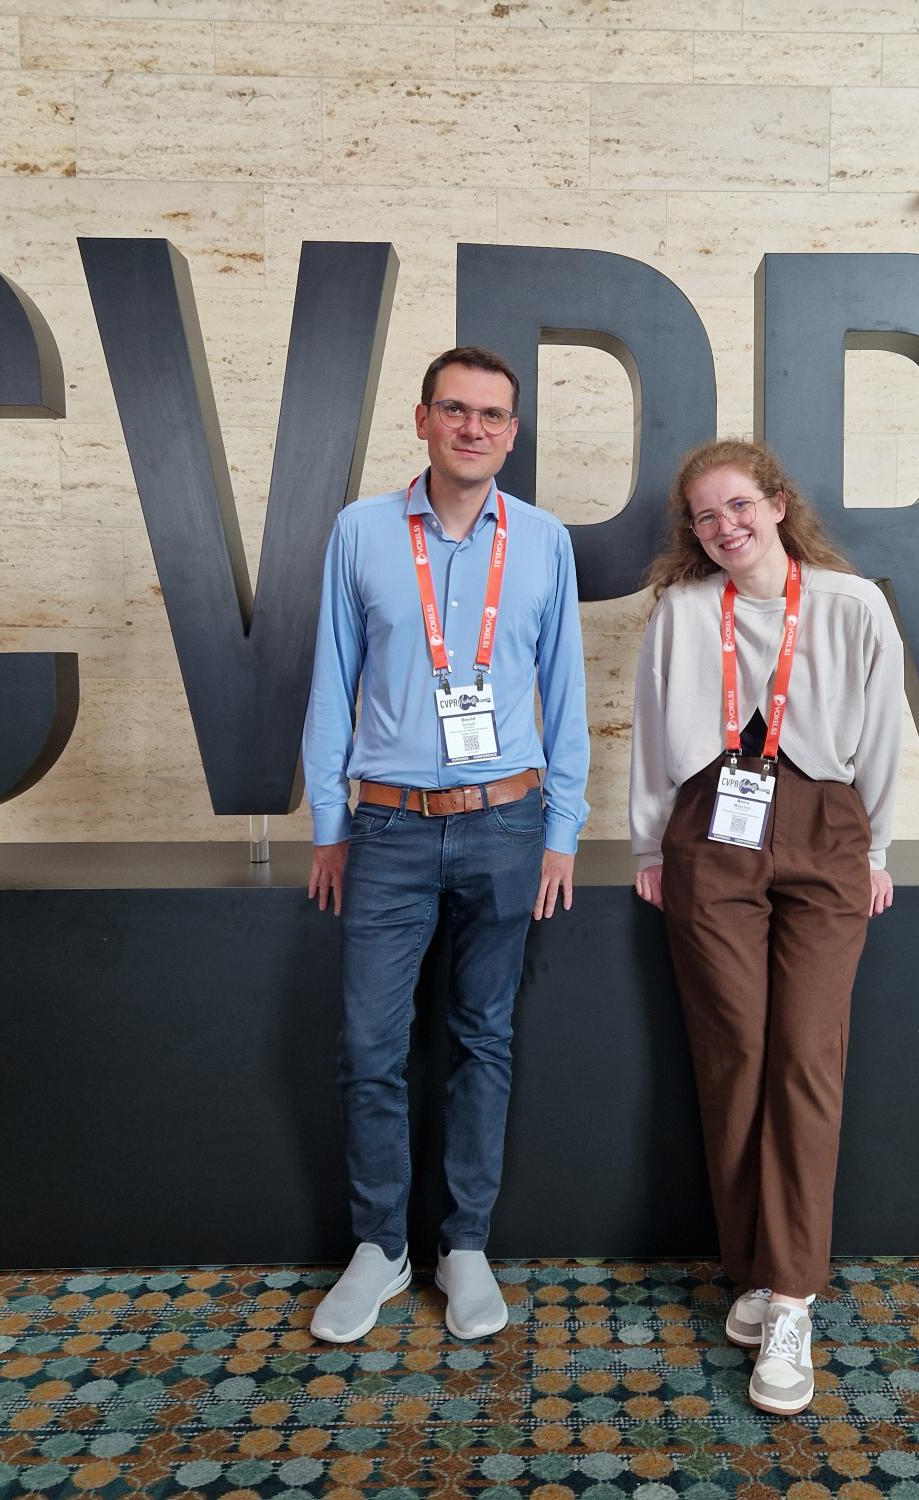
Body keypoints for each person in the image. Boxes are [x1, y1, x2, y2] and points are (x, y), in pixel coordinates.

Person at [301, 345, 589, 1345]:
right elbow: (330, 683)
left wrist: (561, 830)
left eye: (493, 416)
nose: (474, 428)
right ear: (422, 420)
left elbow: (563, 695)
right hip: (383, 829)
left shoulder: (544, 542)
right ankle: (379, 1249)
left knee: (482, 1039)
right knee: (369, 1046)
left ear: (511, 433)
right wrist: (329, 828)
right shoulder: (360, 532)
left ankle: (463, 1244)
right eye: (455, 410)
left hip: (507, 825)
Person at [628, 439, 900, 1416]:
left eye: (737, 506)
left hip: (824, 825)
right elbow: (656, 734)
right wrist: (649, 848)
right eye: (703, 517)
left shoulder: (849, 603)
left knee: (804, 1057)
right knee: (733, 1054)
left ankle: (790, 1299)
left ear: (778, 506)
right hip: (710, 825)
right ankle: (758, 1271)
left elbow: (880, 732)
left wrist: (870, 854)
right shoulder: (684, 613)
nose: (723, 527)